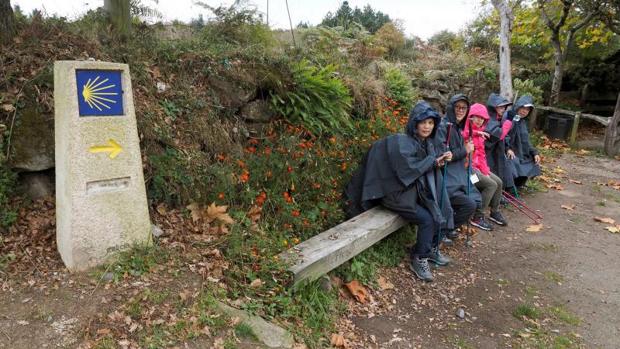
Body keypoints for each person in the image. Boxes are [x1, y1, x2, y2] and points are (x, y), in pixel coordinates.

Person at [343, 101, 453, 282]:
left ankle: (429, 249)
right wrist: (432, 162)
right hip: (394, 194)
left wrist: (438, 161)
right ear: (414, 123)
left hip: (409, 192)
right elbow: (407, 170)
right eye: (423, 122)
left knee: (437, 210)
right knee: (427, 218)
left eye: (431, 123)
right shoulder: (402, 142)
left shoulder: (424, 143)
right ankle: (419, 258)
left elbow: (421, 168)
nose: (427, 127)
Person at [434, 94, 478, 241]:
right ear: (451, 108)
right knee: (470, 204)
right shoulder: (443, 127)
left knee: (476, 199)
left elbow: (457, 154)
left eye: (464, 108)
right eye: (457, 107)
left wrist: (465, 155)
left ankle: (450, 226)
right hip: (447, 182)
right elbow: (443, 156)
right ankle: (445, 230)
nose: (460, 111)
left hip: (460, 177)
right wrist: (464, 151)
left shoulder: (457, 128)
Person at [462, 103, 508, 228]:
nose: (479, 120)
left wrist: (485, 171)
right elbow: (464, 134)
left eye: (482, 118)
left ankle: (494, 211)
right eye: (476, 117)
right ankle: (478, 216)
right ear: (470, 116)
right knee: (490, 184)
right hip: (467, 171)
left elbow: (482, 156)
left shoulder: (481, 134)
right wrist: (476, 133)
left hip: (477, 169)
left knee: (498, 181)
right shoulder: (465, 129)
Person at [504, 95, 541, 190]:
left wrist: (534, 152)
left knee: (533, 161)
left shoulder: (523, 122)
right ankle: (509, 187)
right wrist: (507, 148)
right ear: (518, 106)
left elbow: (526, 141)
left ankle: (519, 185)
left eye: (527, 110)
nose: (524, 111)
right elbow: (504, 135)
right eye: (523, 108)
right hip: (508, 151)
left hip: (521, 152)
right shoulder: (509, 117)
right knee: (514, 161)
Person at [485, 93, 516, 191]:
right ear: (493, 107)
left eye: (504, 107)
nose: (504, 109)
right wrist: (509, 121)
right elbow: (498, 135)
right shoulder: (488, 119)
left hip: (496, 152)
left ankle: (499, 192)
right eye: (501, 107)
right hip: (487, 154)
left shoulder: (497, 118)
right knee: (490, 173)